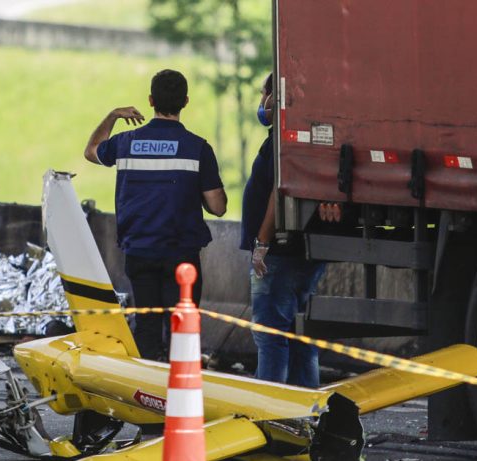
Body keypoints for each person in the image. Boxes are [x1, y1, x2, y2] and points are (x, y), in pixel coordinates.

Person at [84, 69, 227, 361]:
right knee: (181, 332)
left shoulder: (126, 143)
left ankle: (148, 395)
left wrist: (112, 115)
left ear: (151, 100)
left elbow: (91, 151)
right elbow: (218, 207)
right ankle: (178, 397)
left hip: (139, 252)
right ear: (185, 101)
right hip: (181, 257)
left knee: (147, 331)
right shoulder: (197, 148)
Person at [240, 73, 326, 388]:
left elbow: (279, 193)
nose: (261, 102)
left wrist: (262, 243)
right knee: (300, 336)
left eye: (264, 94)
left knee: (270, 335)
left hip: (278, 254)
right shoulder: (301, 140)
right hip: (301, 252)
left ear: (275, 98)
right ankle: (306, 412)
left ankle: (271, 412)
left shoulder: (281, 144)